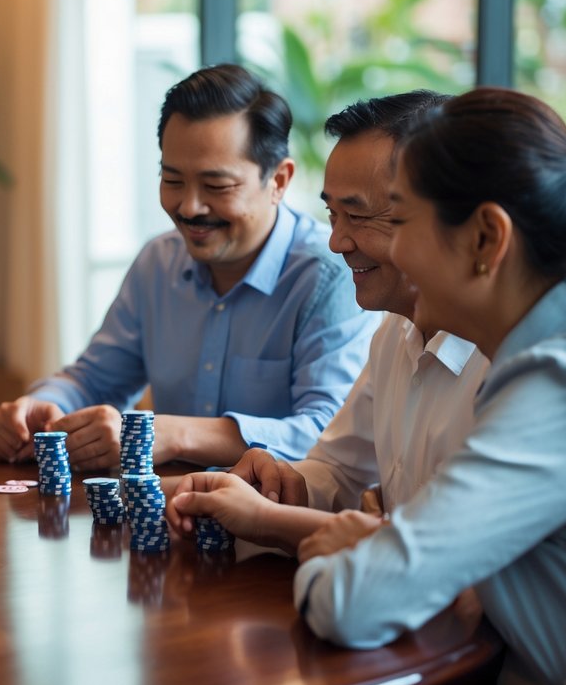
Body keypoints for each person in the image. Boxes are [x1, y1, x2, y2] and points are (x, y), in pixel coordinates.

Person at [265, 88, 566, 685]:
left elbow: (350, 604)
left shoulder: (560, 393)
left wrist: (344, 554)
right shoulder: (561, 359)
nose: (395, 253)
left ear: (486, 238)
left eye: (403, 222)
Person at [0, 64, 377, 471]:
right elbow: (94, 380)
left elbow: (326, 434)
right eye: (172, 180)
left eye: (216, 186)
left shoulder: (331, 276)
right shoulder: (157, 262)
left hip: (279, 511)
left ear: (278, 180)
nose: (189, 207)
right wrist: (40, 407)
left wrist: (173, 435)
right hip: (170, 506)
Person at [166, 91, 491, 551]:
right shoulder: (395, 331)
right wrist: (281, 481)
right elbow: (338, 469)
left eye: (357, 216)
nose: (337, 242)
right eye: (333, 215)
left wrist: (269, 518)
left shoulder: (512, 363)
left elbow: (451, 552)